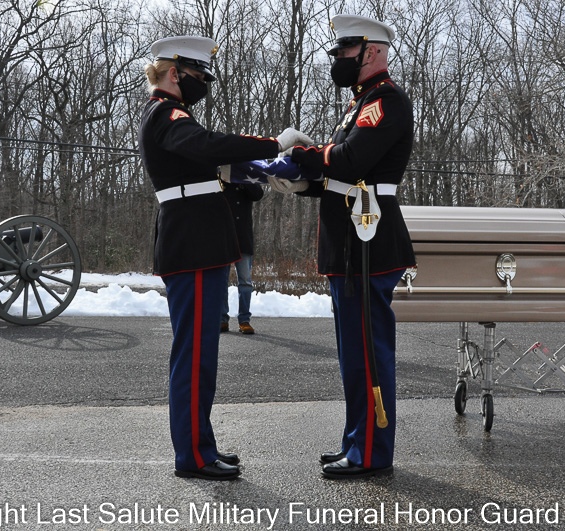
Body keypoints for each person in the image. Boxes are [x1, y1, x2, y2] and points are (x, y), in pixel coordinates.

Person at [138, 35, 310, 481]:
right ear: (174, 72)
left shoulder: (173, 117)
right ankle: (194, 456)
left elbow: (208, 163)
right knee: (194, 356)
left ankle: (202, 446)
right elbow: (207, 145)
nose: (203, 82)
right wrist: (273, 143)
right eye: (197, 74)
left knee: (202, 356)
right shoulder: (166, 114)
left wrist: (262, 172)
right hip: (193, 246)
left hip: (201, 245)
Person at [271, 14, 416, 479]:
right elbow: (342, 176)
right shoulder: (360, 104)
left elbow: (351, 160)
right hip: (351, 245)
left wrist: (300, 155)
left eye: (345, 51)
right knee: (354, 355)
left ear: (371, 51)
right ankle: (357, 440)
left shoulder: (385, 100)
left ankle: (371, 452)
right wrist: (301, 181)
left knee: (367, 355)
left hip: (368, 246)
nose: (338, 59)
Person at [220, 181, 263, 334]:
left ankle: (244, 320)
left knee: (245, 281)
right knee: (221, 281)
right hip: (224, 236)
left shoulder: (246, 175)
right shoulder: (220, 176)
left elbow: (258, 194)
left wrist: (242, 179)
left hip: (243, 237)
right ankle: (222, 319)